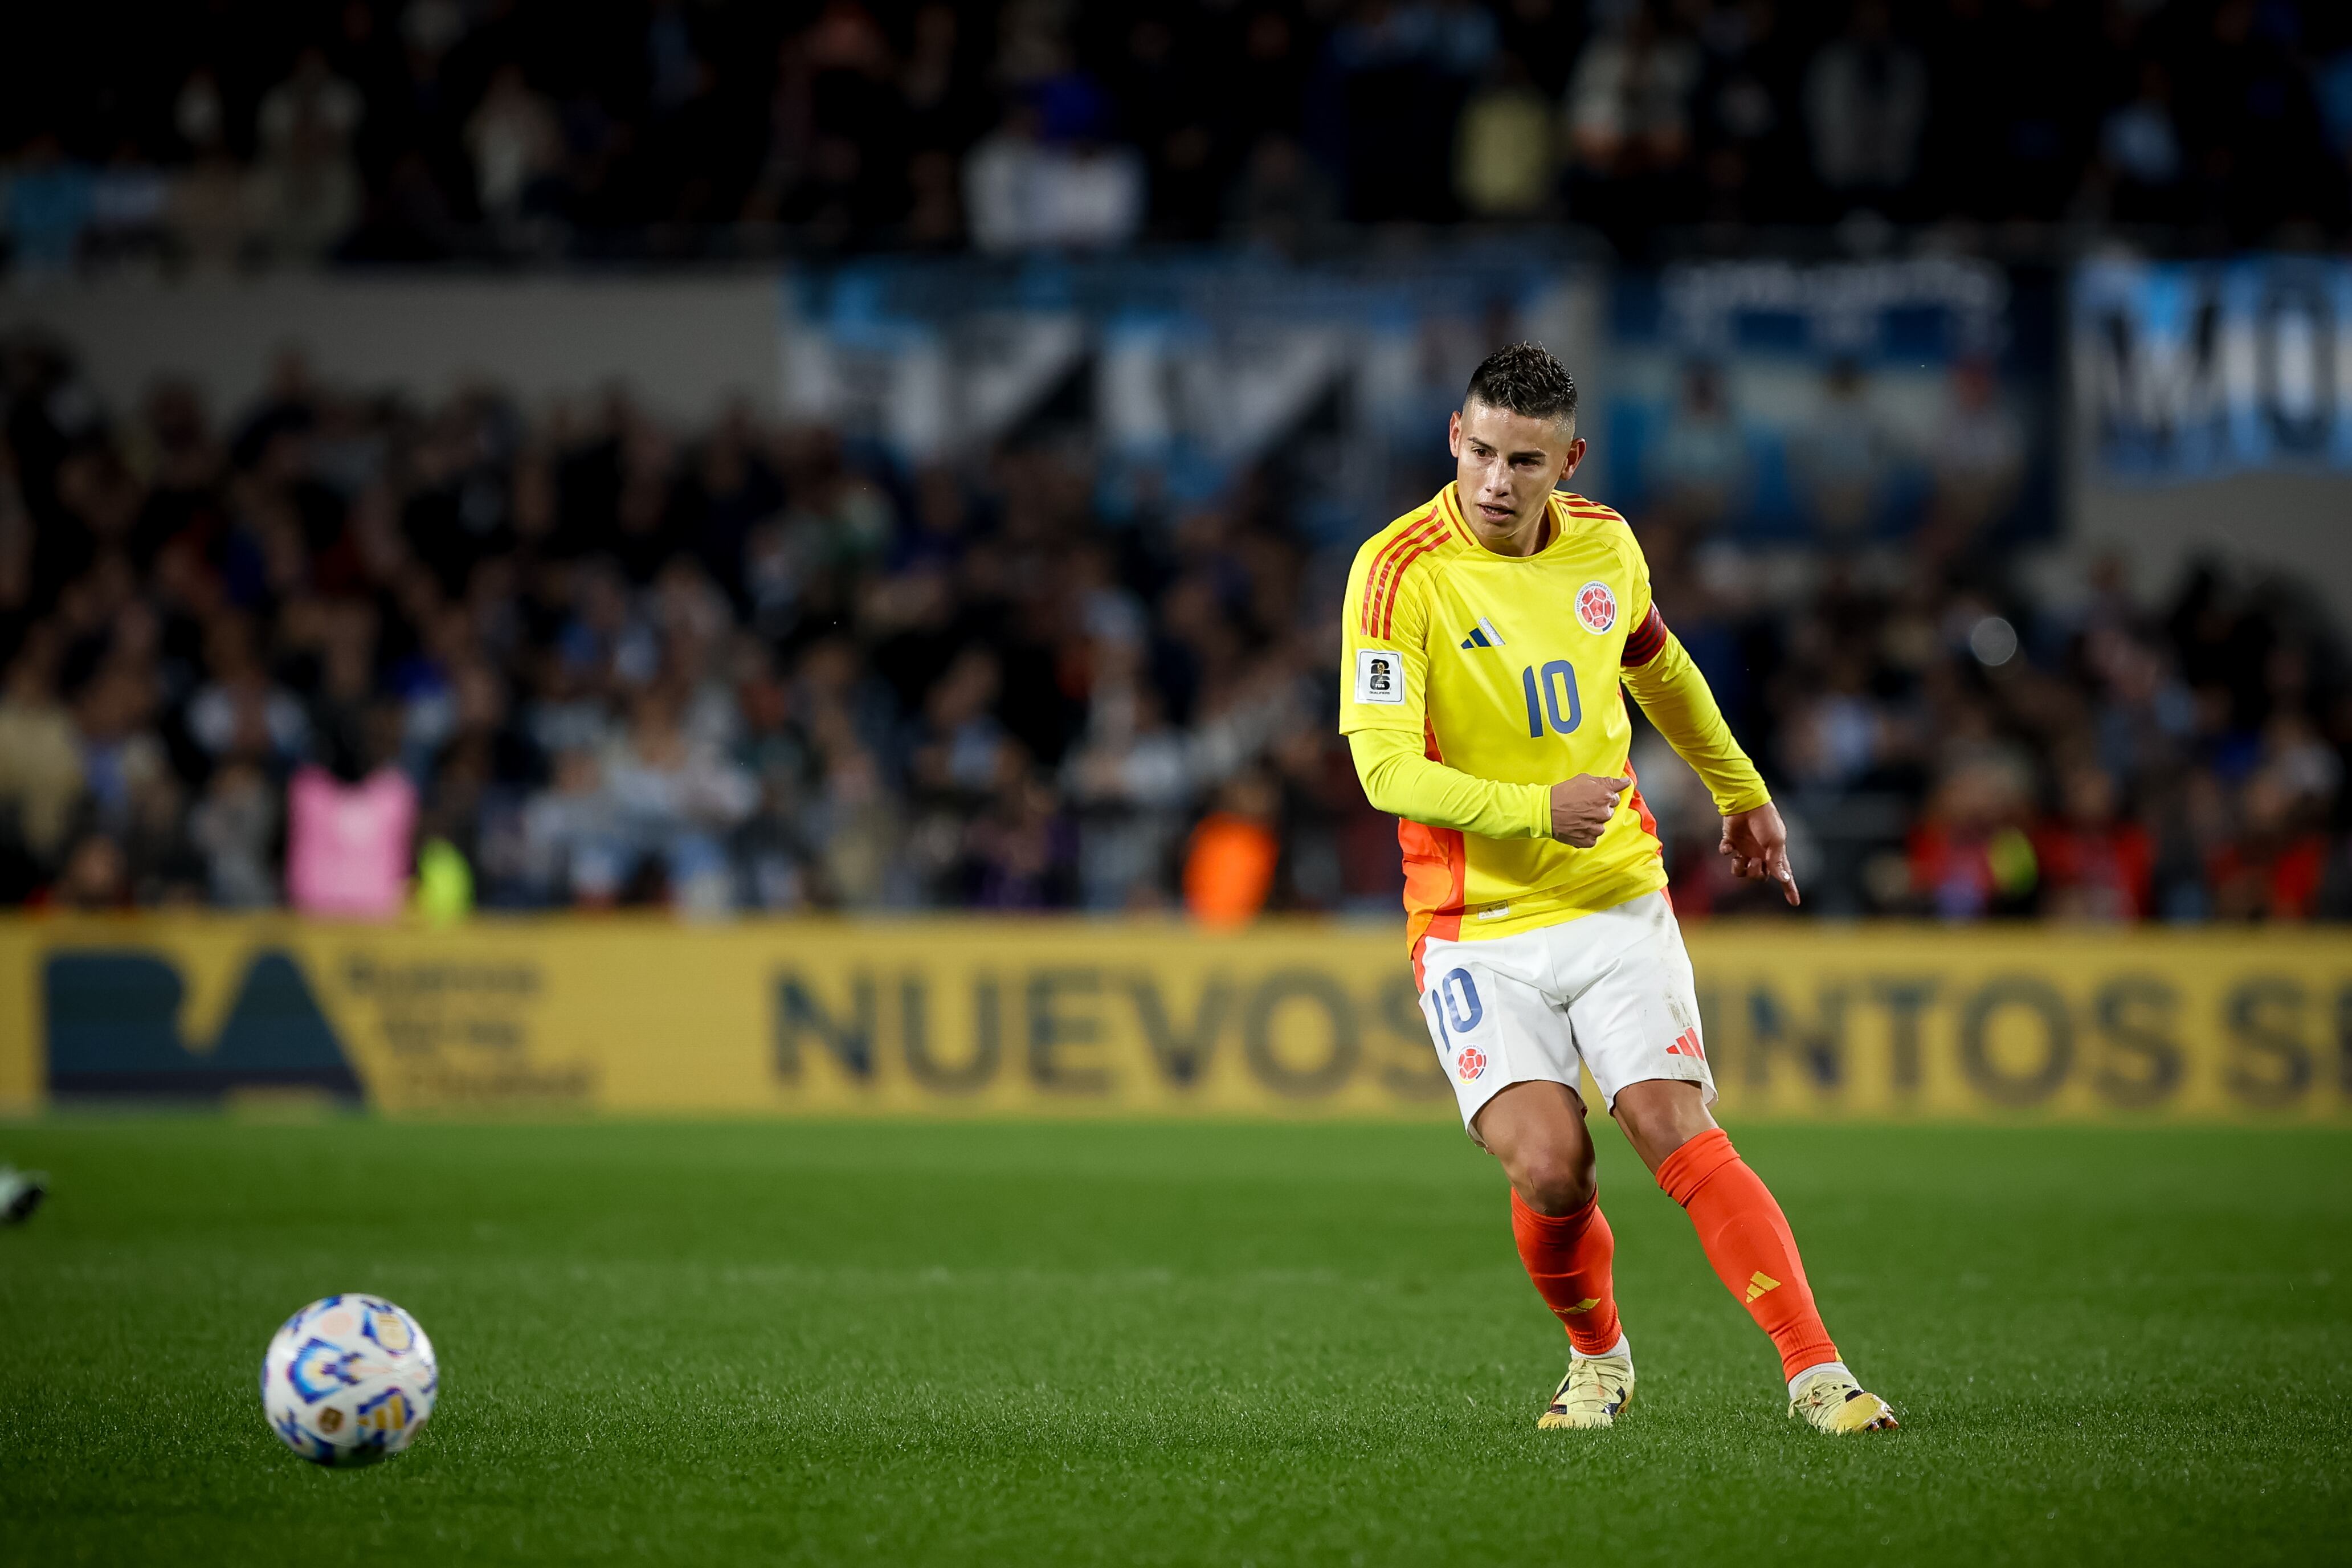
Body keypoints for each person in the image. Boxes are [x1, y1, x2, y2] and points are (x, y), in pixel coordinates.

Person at [1338, 342, 1896, 1435]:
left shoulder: (1606, 545)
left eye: (1526, 461)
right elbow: (1383, 771)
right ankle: (1599, 1358)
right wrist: (1534, 808)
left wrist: (1745, 795)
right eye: (1483, 453)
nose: (1498, 483)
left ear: (1570, 460)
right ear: (1455, 437)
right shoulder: (1397, 571)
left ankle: (1818, 1373)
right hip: (1471, 925)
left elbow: (1663, 668)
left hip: (1614, 896)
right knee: (1551, 1167)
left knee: (1668, 1121)